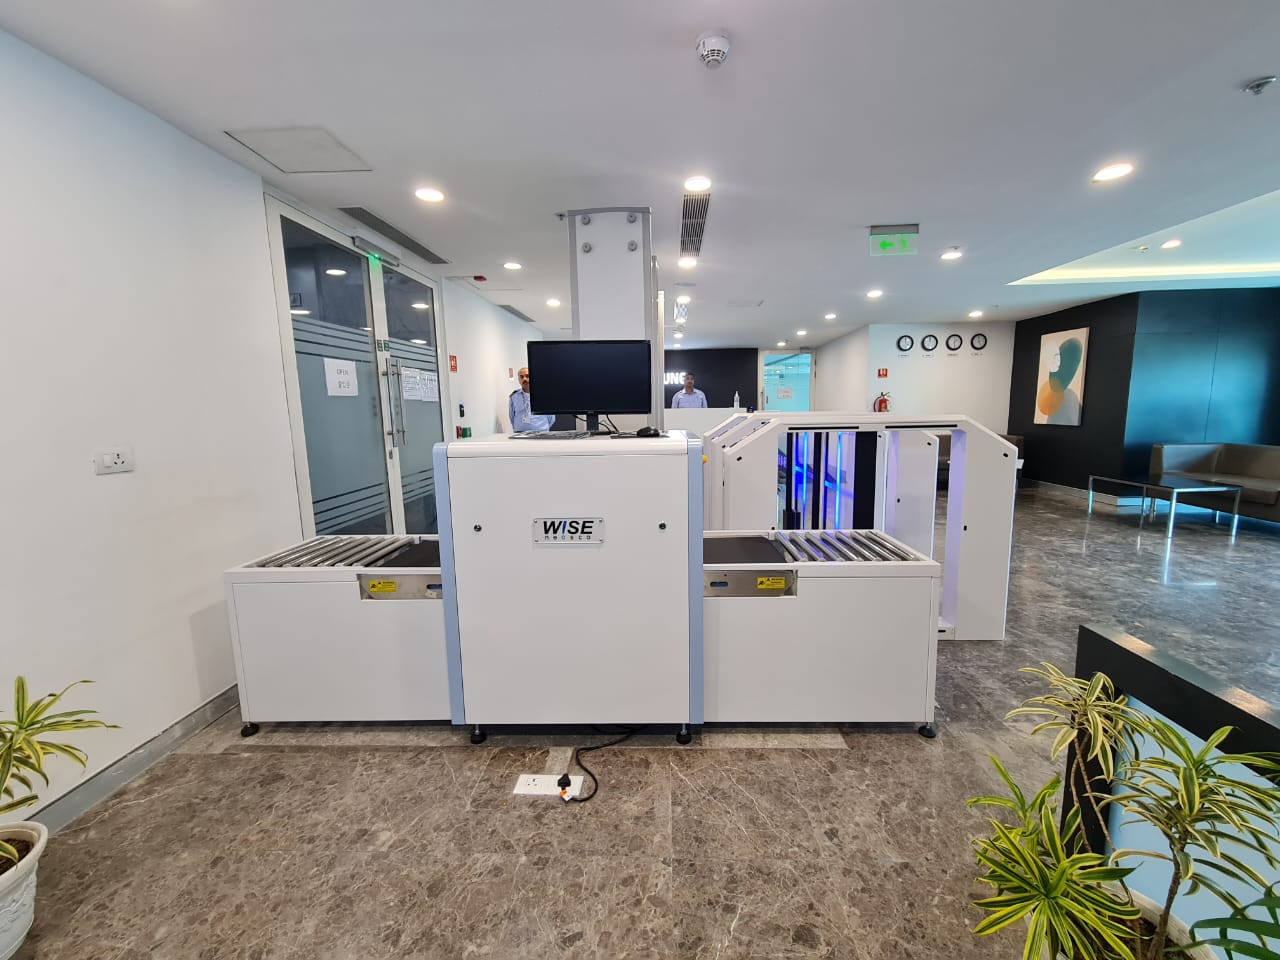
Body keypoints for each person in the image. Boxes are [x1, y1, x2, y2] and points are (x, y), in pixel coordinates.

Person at [508, 367, 555, 432]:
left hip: (541, 433)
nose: (524, 379)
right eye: (521, 377)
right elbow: (512, 417)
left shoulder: (544, 395)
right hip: (520, 434)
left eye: (527, 376)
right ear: (519, 380)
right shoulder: (514, 397)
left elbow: (551, 418)